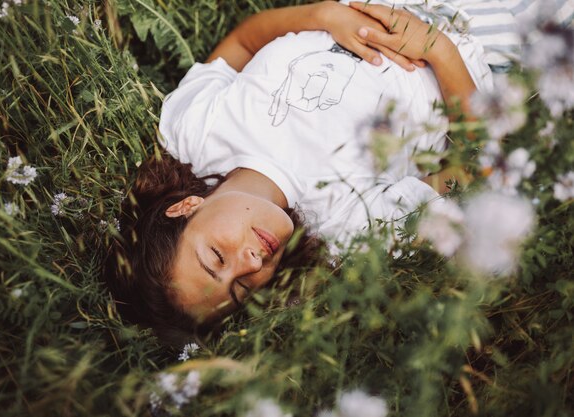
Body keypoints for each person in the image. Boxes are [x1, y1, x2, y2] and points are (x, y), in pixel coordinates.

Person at [103, 0, 493, 345]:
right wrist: (439, 51)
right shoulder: (347, 228)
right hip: (488, 41)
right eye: (240, 289)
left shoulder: (195, 131)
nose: (252, 264)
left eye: (217, 257)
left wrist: (322, 14)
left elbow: (242, 42)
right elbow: (473, 169)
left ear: (185, 207)